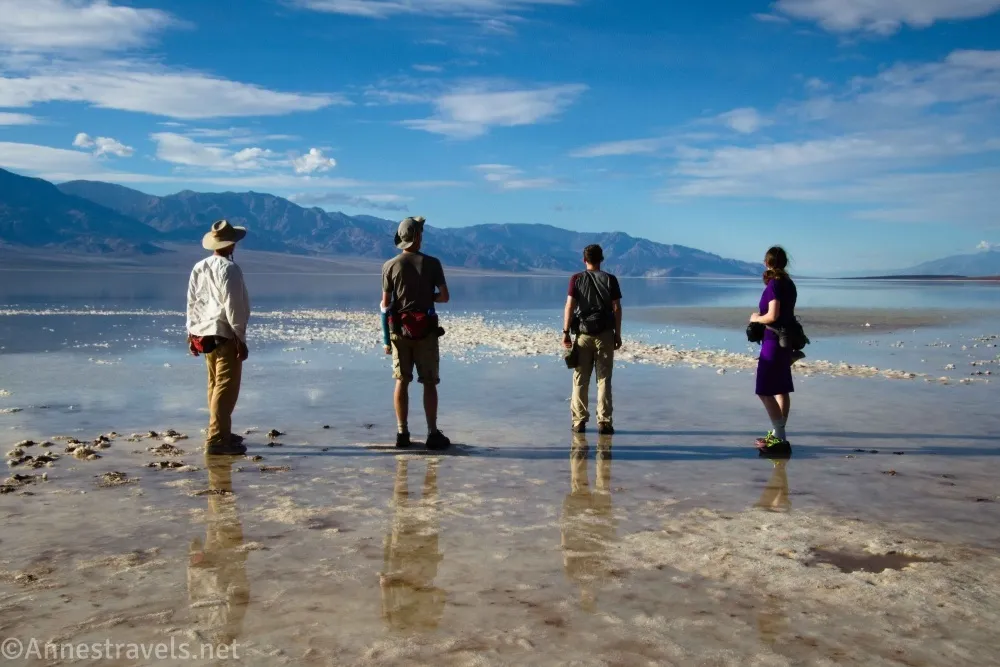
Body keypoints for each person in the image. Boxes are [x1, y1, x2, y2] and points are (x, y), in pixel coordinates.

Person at [381, 216, 451, 450]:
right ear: (418, 236)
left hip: (400, 331)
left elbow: (385, 303)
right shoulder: (433, 263)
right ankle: (432, 433)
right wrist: (425, 297)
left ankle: (402, 433)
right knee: (429, 382)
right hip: (426, 332)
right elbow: (444, 296)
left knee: (402, 380)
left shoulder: (389, 266)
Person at [187, 220, 251, 456]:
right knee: (225, 388)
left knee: (214, 385)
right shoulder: (229, 269)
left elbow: (192, 302)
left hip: (204, 333)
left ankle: (222, 432)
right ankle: (217, 439)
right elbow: (233, 305)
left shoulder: (199, 266)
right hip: (224, 333)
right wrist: (240, 338)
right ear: (231, 244)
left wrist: (191, 331)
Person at [188, 453, 250, 649]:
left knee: (219, 513)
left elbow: (196, 588)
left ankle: (217, 474)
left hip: (216, 561)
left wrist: (195, 555)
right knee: (223, 512)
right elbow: (240, 593)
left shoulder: (207, 619)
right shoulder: (225, 622)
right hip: (223, 560)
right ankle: (217, 473)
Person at [562, 245, 623, 435]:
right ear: (601, 259)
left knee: (580, 379)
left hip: (583, 335)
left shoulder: (576, 279)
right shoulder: (610, 279)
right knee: (604, 379)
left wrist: (565, 332)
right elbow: (617, 308)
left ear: (584, 260)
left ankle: (579, 422)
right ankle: (604, 422)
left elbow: (570, 306)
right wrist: (617, 334)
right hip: (605, 334)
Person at [379, 458, 446, 630]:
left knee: (408, 507)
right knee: (415, 506)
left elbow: (441, 595)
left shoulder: (425, 622)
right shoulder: (427, 622)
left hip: (411, 560)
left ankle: (417, 465)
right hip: (420, 562)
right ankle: (422, 466)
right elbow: (441, 594)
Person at [749, 246, 797, 454]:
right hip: (785, 340)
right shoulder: (789, 284)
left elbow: (773, 315)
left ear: (768, 263)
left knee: (764, 390)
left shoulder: (775, 285)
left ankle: (779, 435)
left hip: (773, 341)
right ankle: (779, 435)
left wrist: (755, 318)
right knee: (781, 388)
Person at [561, 433, 615, 612]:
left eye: (587, 598)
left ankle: (588, 445)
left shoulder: (575, 576)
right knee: (596, 485)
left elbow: (566, 548)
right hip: (593, 521)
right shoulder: (600, 577)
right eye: (590, 598)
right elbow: (567, 547)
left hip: (589, 522)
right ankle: (598, 448)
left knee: (586, 483)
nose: (588, 594)